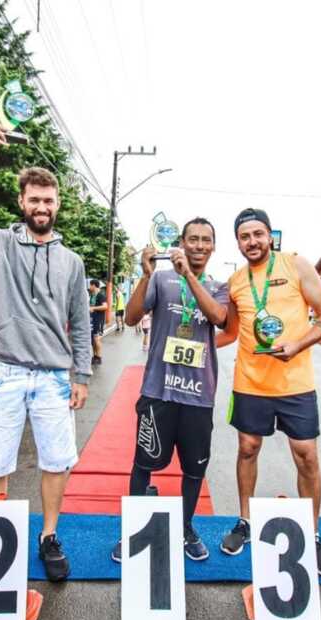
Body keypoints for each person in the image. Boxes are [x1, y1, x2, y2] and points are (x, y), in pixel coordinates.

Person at [0, 118, 92, 582]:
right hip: (7, 373)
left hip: (56, 379)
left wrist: (82, 375)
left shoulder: (72, 261)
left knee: (57, 461)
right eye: (34, 199)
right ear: (22, 202)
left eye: (48, 200)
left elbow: (81, 321)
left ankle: (48, 536)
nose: (41, 206)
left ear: (57, 205)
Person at [216, 208, 321, 576]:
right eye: (244, 236)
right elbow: (230, 332)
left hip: (295, 383)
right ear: (237, 242)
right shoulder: (236, 281)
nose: (252, 242)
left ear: (271, 236)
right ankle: (244, 521)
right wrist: (180, 345)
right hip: (251, 381)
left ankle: (312, 533)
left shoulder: (297, 265)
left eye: (258, 234)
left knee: (306, 456)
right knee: (247, 448)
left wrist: (298, 345)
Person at [109, 218, 229, 563]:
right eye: (193, 239)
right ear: (181, 242)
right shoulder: (161, 279)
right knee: (143, 462)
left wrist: (189, 276)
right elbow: (131, 318)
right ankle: (133, 528)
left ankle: (186, 527)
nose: (199, 246)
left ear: (213, 247)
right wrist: (145, 274)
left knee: (194, 468)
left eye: (206, 240)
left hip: (198, 395)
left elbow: (219, 317)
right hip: (158, 392)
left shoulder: (218, 286)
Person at [89, 280, 107, 364]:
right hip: (92, 320)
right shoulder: (92, 295)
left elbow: (105, 306)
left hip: (99, 320)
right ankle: (94, 356)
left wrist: (93, 308)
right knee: (93, 339)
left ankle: (99, 357)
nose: (89, 287)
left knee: (96, 339)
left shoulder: (101, 295)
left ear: (94, 285)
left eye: (90, 285)